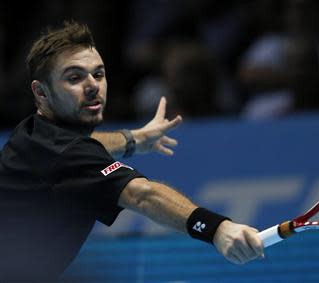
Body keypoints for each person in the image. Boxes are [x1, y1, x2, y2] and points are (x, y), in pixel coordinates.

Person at [0, 21, 264, 282]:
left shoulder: (32, 134)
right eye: (74, 77)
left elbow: (85, 149)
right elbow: (142, 195)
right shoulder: (69, 154)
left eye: (98, 74)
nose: (93, 85)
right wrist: (218, 229)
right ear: (41, 92)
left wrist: (134, 139)